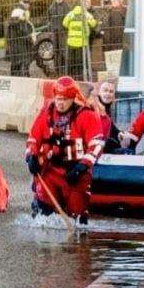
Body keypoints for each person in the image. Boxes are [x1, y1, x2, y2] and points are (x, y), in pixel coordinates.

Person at [25, 76, 105, 223]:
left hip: (74, 174)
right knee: (42, 215)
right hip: (50, 172)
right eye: (58, 99)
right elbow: (33, 138)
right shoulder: (46, 114)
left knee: (78, 220)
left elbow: (97, 144)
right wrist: (31, 157)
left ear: (73, 98)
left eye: (65, 100)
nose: (60, 104)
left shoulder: (86, 116)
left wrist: (82, 166)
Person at [62, 0, 98, 78]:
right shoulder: (86, 14)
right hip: (82, 42)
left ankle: (70, 76)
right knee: (80, 60)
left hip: (71, 41)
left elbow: (64, 24)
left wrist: (71, 28)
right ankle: (80, 76)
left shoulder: (70, 14)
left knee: (71, 60)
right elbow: (93, 24)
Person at [89, 79, 124, 154]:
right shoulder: (93, 107)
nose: (108, 94)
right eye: (105, 90)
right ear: (99, 92)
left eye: (111, 91)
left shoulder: (106, 107)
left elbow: (111, 126)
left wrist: (119, 133)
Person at [101, 0, 127, 74]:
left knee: (115, 56)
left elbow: (117, 28)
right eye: (112, 1)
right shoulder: (111, 10)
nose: (112, 3)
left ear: (119, 2)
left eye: (114, 1)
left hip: (114, 39)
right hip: (109, 38)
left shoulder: (117, 12)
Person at [4, 7, 32, 77]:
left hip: (14, 50)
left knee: (15, 66)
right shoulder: (22, 25)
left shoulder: (10, 26)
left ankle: (14, 79)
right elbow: (27, 36)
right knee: (24, 66)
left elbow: (8, 38)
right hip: (23, 50)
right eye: (23, 15)